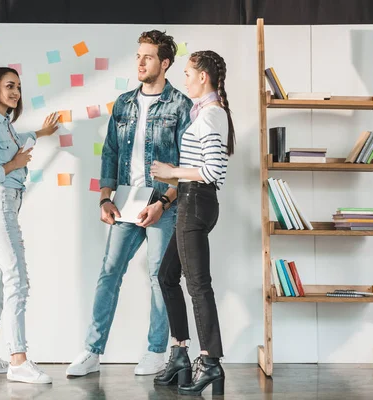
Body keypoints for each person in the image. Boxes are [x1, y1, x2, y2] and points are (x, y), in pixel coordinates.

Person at [66, 30, 193, 377]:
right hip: (124, 201)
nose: (140, 62)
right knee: (109, 273)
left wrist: (164, 204)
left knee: (159, 277)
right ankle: (92, 352)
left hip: (161, 203)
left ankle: (156, 351)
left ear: (165, 63)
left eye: (148, 57)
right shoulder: (123, 103)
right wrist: (105, 197)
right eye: (138, 55)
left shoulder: (181, 105)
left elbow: (186, 164)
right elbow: (110, 152)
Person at [151, 50, 235, 396]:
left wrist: (172, 172)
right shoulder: (206, 112)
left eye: (187, 73)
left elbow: (215, 172)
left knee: (198, 285)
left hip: (197, 203)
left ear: (203, 77)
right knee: (167, 276)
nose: (184, 80)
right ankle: (181, 353)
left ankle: (210, 361)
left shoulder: (212, 114)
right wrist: (168, 193)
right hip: (189, 202)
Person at [0, 67, 59, 384]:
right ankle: (18, 359)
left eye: (19, 87)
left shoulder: (4, 124)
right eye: (9, 86)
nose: (16, 92)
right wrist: (14, 165)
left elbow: (18, 139)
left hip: (5, 205)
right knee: (17, 280)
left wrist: (43, 134)